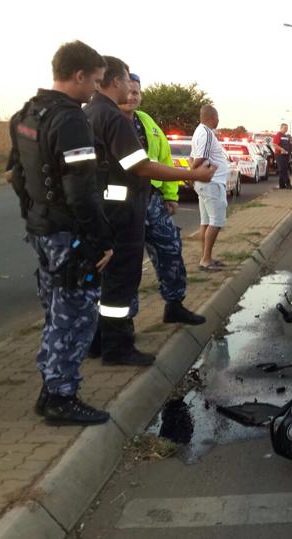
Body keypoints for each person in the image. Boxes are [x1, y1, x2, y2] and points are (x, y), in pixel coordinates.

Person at [7, 40, 113, 424]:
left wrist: (34, 215)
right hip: (69, 234)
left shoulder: (26, 113)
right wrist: (99, 240)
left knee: (55, 312)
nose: (95, 90)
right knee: (76, 315)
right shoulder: (70, 119)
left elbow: (15, 174)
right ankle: (61, 398)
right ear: (78, 75)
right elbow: (81, 189)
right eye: (95, 82)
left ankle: (50, 389)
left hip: (42, 230)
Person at [86, 56, 214, 367]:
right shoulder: (110, 117)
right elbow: (140, 166)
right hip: (121, 208)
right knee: (120, 278)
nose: (131, 88)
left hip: (128, 202)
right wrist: (194, 175)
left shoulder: (98, 113)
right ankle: (115, 344)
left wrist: (168, 194)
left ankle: (106, 339)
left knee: (124, 273)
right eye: (128, 80)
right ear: (115, 81)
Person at [120, 73, 205, 325]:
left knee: (171, 249)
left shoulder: (146, 121)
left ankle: (175, 304)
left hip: (152, 199)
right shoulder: (109, 121)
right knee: (128, 262)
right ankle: (122, 324)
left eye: (136, 92)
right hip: (123, 203)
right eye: (128, 91)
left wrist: (170, 195)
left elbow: (164, 159)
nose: (132, 96)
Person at [190, 105, 230, 270]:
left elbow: (191, 157)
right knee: (216, 222)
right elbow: (200, 158)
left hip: (207, 183)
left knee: (206, 221)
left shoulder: (198, 131)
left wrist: (192, 171)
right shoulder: (206, 133)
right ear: (212, 117)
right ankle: (206, 260)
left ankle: (206, 257)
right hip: (212, 183)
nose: (219, 120)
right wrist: (193, 172)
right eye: (217, 116)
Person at [271, 123, 292, 189]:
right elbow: (274, 144)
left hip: (285, 155)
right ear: (281, 128)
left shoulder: (285, 136)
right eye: (284, 128)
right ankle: (288, 184)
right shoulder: (278, 135)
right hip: (279, 155)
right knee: (283, 169)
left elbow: (288, 145)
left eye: (287, 128)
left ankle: (282, 185)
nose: (286, 129)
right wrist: (281, 149)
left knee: (282, 170)